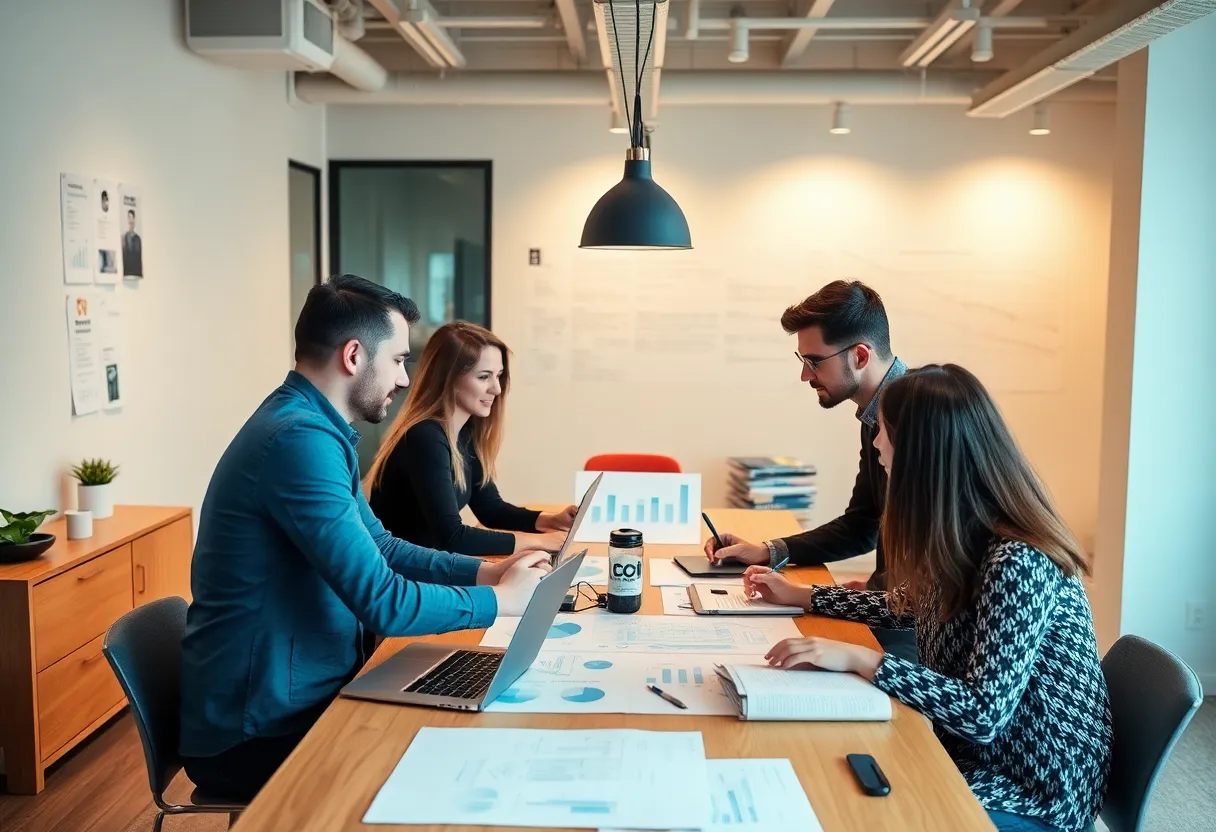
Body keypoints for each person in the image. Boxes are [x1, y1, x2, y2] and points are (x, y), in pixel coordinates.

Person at [179, 275, 551, 801]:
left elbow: (385, 547)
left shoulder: (314, 429)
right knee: (463, 768)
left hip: (303, 693)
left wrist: (487, 572)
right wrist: (498, 601)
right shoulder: (298, 441)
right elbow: (385, 604)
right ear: (354, 355)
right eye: (398, 360)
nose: (404, 379)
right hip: (257, 731)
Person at [744, 364, 1111, 832]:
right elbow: (904, 605)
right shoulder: (965, 533)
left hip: (1030, 792)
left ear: (924, 456)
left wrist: (863, 660)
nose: (876, 443)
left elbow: (982, 714)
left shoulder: (1017, 561)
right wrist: (804, 596)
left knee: (849, 808)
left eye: (887, 433)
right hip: (969, 757)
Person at [703, 280, 915, 660]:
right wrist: (768, 551)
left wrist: (838, 599)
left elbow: (932, 595)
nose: (805, 376)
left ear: (861, 356)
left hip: (916, 629)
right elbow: (864, 523)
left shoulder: (917, 424)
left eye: (815, 361)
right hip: (893, 608)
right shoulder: (879, 416)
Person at [367, 321, 574, 557]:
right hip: (402, 578)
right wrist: (543, 542)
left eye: (499, 376)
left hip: (427, 568)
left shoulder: (464, 433)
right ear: (449, 379)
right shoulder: (425, 437)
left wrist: (549, 521)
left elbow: (490, 510)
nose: (496, 389)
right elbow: (453, 538)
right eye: (484, 377)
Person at [122, 209, 142, 276]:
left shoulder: (138, 239)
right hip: (127, 273)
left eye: (132, 218)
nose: (130, 220)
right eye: (129, 218)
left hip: (136, 273)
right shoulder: (124, 238)